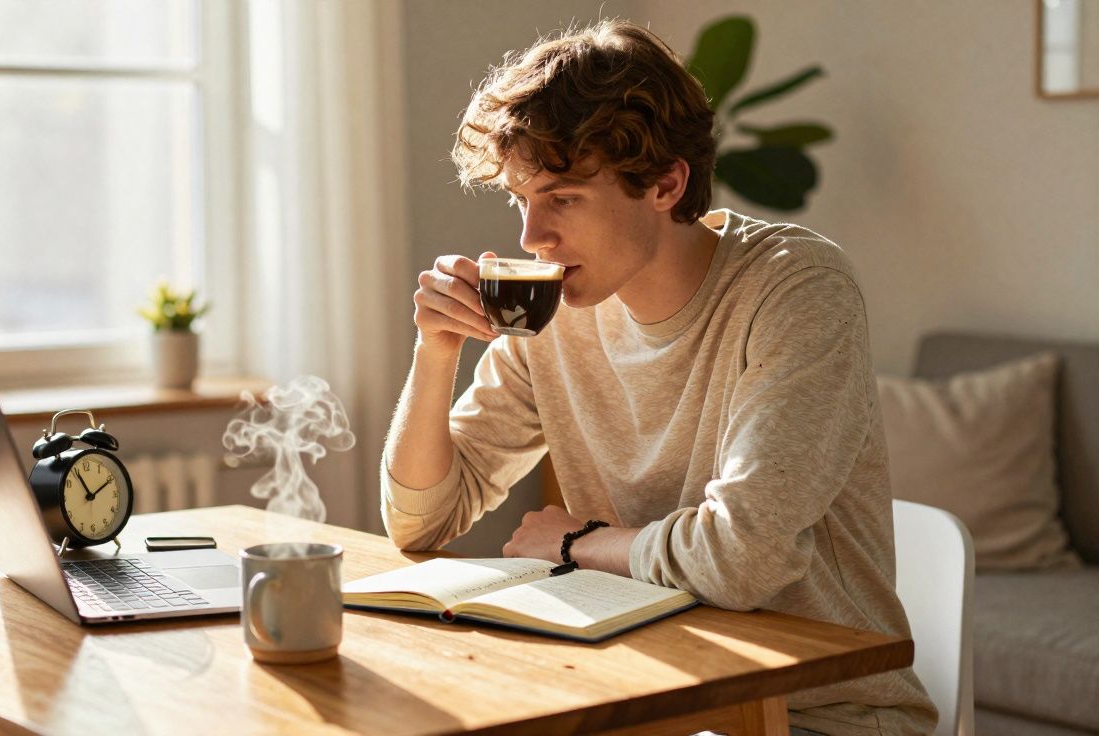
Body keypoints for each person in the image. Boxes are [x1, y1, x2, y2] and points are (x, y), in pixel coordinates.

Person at [379, 19, 938, 736]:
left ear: (666, 184)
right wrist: (436, 351)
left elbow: (744, 558)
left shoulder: (795, 290)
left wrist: (579, 542)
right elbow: (420, 522)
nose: (531, 238)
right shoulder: (558, 307)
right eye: (522, 201)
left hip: (821, 715)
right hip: (647, 688)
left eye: (563, 198)